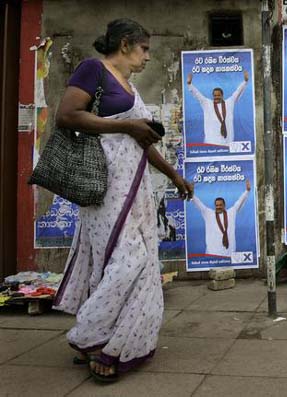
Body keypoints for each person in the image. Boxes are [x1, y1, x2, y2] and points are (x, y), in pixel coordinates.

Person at [51, 19, 193, 382]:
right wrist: (125, 125)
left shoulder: (129, 86)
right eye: (144, 49)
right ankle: (90, 335)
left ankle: (119, 343)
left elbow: (142, 141)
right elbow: (66, 115)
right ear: (127, 44)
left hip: (135, 188)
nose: (147, 57)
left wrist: (174, 175)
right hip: (104, 186)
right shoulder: (93, 70)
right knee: (127, 260)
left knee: (139, 263)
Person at [186, 70, 248, 145]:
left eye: (218, 95)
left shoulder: (229, 103)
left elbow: (238, 92)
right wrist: (189, 84)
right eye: (215, 95)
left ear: (222, 95)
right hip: (211, 141)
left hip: (227, 141)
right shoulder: (207, 103)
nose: (216, 97)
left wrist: (245, 81)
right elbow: (197, 94)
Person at [191, 179, 251, 256]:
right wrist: (192, 194)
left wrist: (247, 191)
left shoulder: (231, 212)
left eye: (220, 205)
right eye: (217, 205)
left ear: (224, 205)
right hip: (213, 253)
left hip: (229, 253)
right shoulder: (208, 214)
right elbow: (198, 204)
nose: (218, 207)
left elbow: (239, 202)